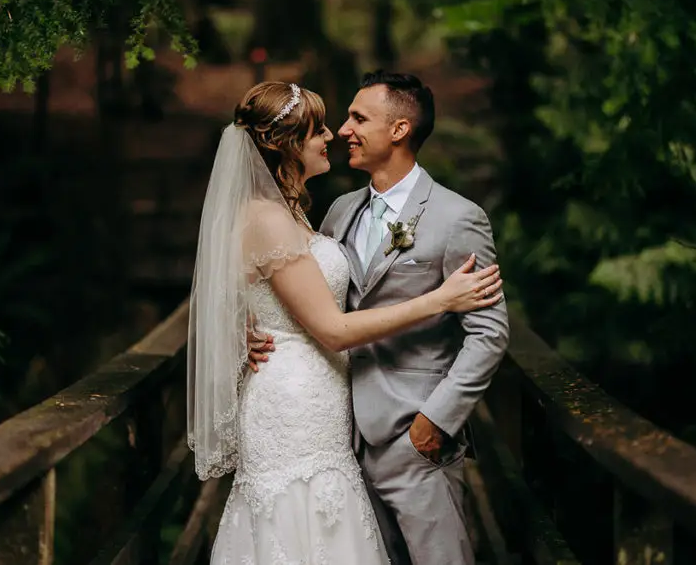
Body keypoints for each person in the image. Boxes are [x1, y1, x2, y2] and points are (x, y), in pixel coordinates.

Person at [187, 80, 503, 565]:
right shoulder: (339, 211)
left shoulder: (458, 217)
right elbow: (312, 309)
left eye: (358, 118)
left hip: (411, 435)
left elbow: (489, 334)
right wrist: (242, 326)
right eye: (327, 125)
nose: (340, 131)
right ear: (287, 143)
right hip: (323, 424)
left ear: (399, 129)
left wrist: (436, 419)